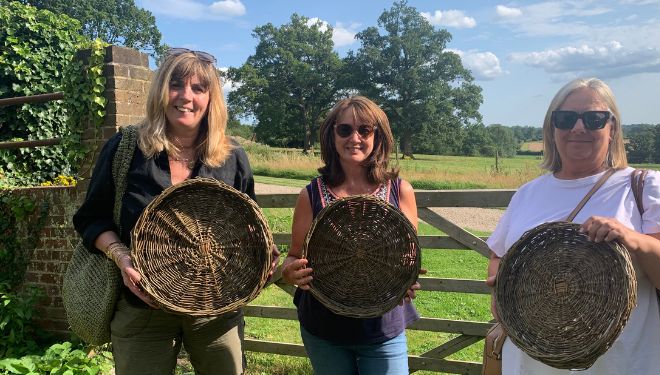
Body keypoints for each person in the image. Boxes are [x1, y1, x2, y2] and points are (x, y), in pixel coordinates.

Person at [73, 48, 278, 375]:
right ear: (160, 91)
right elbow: (90, 218)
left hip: (215, 312)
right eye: (176, 84)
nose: (186, 96)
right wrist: (121, 257)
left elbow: (248, 228)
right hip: (142, 309)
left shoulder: (232, 156)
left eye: (199, 88)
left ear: (211, 99)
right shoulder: (126, 148)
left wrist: (262, 258)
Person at [485, 78, 660, 374]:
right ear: (552, 128)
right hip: (529, 364)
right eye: (565, 119)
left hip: (624, 364)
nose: (578, 128)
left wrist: (633, 239)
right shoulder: (528, 193)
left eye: (593, 119)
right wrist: (504, 290)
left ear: (612, 128)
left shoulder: (640, 185)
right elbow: (499, 257)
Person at [281, 96, 421, 374]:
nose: (354, 137)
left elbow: (408, 258)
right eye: (344, 129)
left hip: (382, 328)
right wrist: (289, 273)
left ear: (378, 135)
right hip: (323, 328)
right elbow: (293, 257)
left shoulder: (399, 190)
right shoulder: (311, 195)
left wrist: (407, 279)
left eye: (365, 130)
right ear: (331, 135)